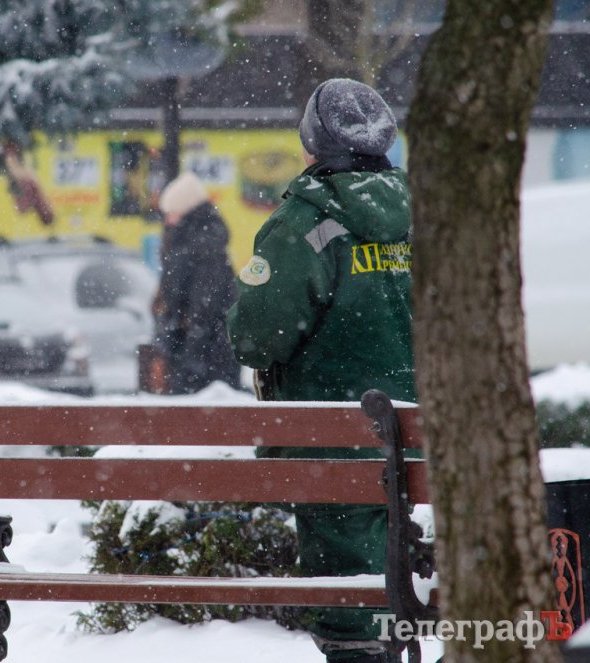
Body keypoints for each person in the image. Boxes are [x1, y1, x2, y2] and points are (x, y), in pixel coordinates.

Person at [227, 78, 413, 663]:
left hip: (335, 448)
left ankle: (360, 648)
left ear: (312, 143)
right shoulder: (427, 215)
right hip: (424, 450)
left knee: (349, 598)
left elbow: (254, 337)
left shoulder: (301, 224)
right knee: (401, 580)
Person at [152, 171, 241, 395]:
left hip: (202, 353)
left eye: (171, 212)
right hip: (199, 347)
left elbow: (203, 308)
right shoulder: (195, 240)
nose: (167, 219)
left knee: (201, 406)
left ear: (185, 211)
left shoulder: (200, 245)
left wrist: (190, 357)